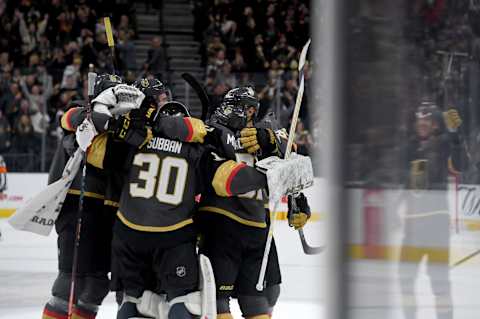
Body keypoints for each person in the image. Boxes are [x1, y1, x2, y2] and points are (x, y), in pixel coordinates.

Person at [84, 100, 273, 319]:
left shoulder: (134, 142)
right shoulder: (197, 150)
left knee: (133, 299)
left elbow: (91, 151)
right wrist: (267, 176)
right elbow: (226, 179)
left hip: (128, 235)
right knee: (184, 301)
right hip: (173, 236)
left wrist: (108, 122)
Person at [197, 87, 311, 318]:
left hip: (258, 226)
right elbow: (217, 177)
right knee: (217, 299)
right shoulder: (217, 132)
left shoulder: (264, 134)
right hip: (222, 223)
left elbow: (292, 159)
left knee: (268, 294)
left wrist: (298, 201)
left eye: (247, 107)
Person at [41, 73, 125, 319]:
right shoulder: (81, 116)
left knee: (97, 284)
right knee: (71, 280)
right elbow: (71, 121)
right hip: (77, 205)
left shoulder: (120, 124)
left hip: (105, 210)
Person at [397, 102, 468, 319]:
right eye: (420, 120)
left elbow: (461, 165)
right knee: (405, 277)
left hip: (436, 225)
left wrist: (456, 135)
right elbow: (402, 181)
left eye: (427, 120)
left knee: (439, 281)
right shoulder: (409, 147)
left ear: (435, 124)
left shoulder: (445, 143)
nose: (423, 124)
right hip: (412, 226)